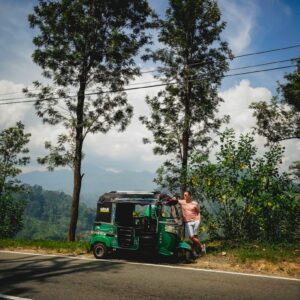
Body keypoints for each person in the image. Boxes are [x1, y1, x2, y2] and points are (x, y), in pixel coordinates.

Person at [178, 191, 205, 257]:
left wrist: (199, 219)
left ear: (190, 196)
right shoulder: (182, 202)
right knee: (191, 237)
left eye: (186, 195)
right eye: (184, 195)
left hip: (196, 220)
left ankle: (193, 252)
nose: (184, 196)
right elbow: (175, 200)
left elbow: (198, 211)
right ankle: (202, 246)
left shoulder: (194, 203)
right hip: (188, 221)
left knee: (195, 237)